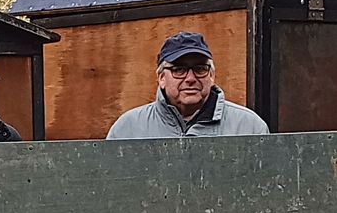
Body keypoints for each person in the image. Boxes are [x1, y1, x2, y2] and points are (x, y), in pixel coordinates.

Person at [104, 31, 269, 139]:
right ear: (161, 77)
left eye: (200, 69)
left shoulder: (249, 127)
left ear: (212, 76)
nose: (190, 78)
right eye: (179, 69)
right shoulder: (128, 129)